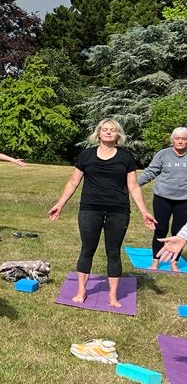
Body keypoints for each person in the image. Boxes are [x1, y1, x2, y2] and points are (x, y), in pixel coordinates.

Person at [48, 118, 155, 308]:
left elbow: (133, 186)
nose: (108, 132)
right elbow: (73, 182)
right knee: (87, 249)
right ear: (98, 133)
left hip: (118, 210)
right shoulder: (86, 155)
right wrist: (60, 204)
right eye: (104, 129)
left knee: (113, 252)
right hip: (90, 208)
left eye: (112, 129)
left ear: (118, 134)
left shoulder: (126, 157)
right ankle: (81, 291)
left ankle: (113, 296)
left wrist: (144, 212)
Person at [137, 127, 187, 270]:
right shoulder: (163, 154)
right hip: (162, 198)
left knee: (179, 232)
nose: (180, 141)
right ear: (172, 140)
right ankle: (155, 261)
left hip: (184, 200)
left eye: (184, 139)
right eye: (177, 138)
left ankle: (174, 262)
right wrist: (133, 185)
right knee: (160, 229)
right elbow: (150, 172)